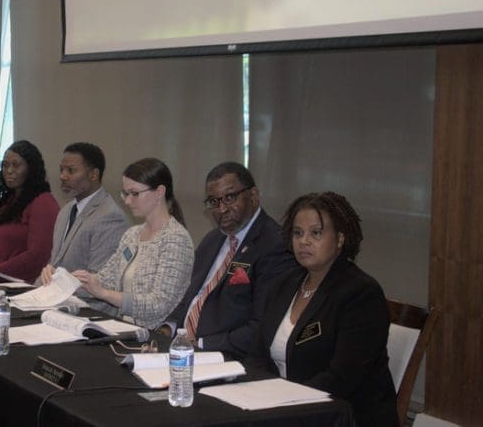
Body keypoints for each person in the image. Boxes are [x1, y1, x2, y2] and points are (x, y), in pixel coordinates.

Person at [247, 192, 398, 426]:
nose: (304, 241)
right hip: (283, 410)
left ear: (339, 239)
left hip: (341, 415)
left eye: (316, 233)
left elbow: (342, 378)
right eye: (298, 233)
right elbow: (258, 354)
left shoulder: (360, 293)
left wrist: (283, 401)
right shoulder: (284, 284)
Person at [159, 162, 296, 359]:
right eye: (214, 202)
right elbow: (192, 297)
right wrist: (167, 328)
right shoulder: (212, 241)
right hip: (182, 350)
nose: (222, 209)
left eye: (230, 198)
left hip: (226, 359)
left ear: (254, 196)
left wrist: (200, 344)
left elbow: (260, 328)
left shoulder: (275, 245)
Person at [69, 158, 193, 330]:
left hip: (154, 339)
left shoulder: (176, 239)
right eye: (125, 193)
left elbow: (158, 305)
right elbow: (106, 280)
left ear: (159, 192)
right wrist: (66, 280)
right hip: (125, 329)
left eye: (134, 194)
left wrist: (103, 294)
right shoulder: (133, 234)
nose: (127, 201)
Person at [39, 142, 129, 284]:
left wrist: (56, 283)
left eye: (71, 171)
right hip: (55, 298)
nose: (62, 176)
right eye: (61, 170)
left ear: (93, 174)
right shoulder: (66, 211)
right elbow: (55, 264)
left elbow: (100, 281)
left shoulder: (110, 216)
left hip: (87, 304)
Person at [0, 140, 59, 282]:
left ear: (31, 168)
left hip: (15, 285)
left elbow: (39, 254)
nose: (9, 171)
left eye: (16, 165)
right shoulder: (11, 200)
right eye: (5, 165)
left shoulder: (43, 202)